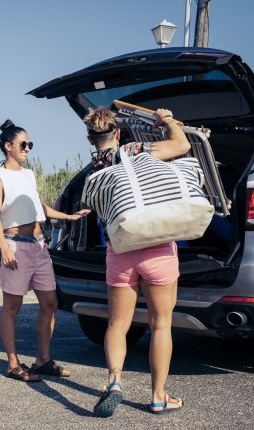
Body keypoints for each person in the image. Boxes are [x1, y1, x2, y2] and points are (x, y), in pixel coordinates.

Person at [84, 106, 191, 417]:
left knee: (117, 323)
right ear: (118, 133)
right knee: (161, 325)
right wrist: (167, 119)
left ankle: (114, 381)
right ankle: (159, 396)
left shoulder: (95, 167)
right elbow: (182, 146)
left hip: (120, 251)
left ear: (90, 138)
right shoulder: (134, 150)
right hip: (157, 248)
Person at [0, 119, 90, 382]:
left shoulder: (29, 174)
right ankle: (12, 364)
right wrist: (4, 248)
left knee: (50, 302)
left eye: (30, 144)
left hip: (39, 246)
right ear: (8, 146)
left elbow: (39, 207)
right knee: (12, 308)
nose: (28, 148)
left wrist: (68, 216)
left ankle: (43, 359)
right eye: (23, 144)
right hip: (15, 246)